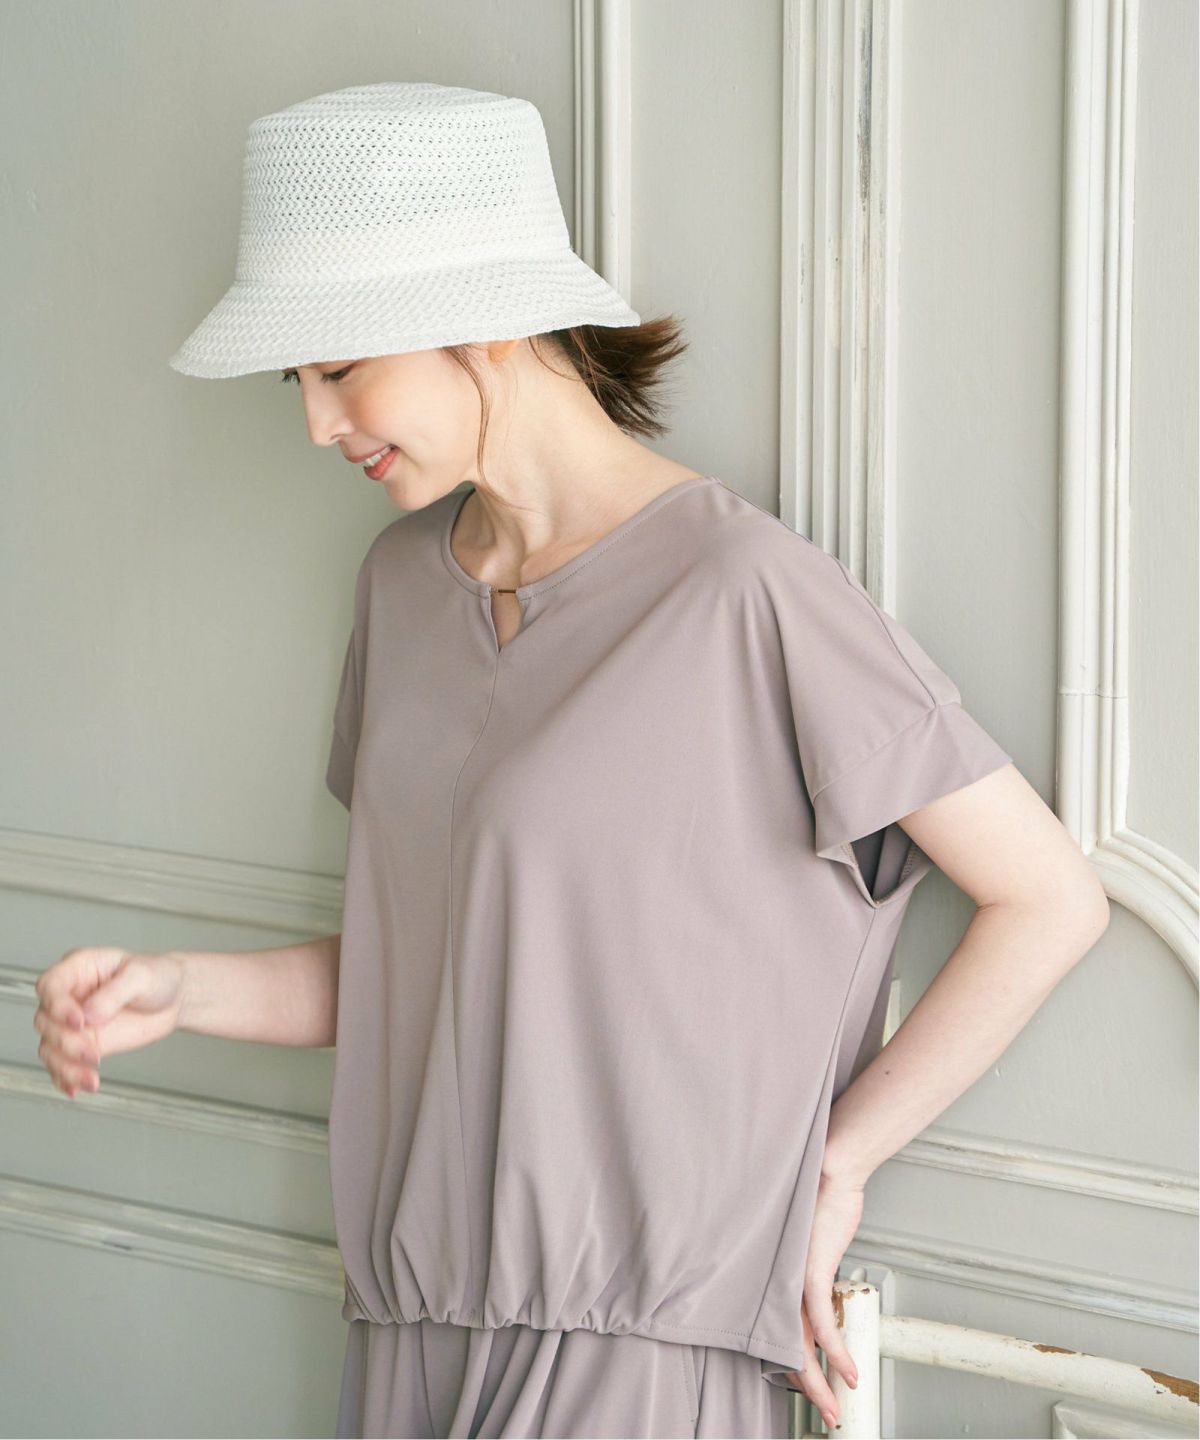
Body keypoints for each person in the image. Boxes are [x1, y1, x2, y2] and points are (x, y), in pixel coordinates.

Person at [32, 83, 1111, 1440]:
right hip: (409, 1334)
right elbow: (442, 970)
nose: (314, 422)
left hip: (635, 1360)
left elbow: (1049, 899)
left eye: (338, 366)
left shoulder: (743, 592)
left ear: (487, 320)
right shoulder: (401, 587)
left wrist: (835, 1166)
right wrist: (178, 988)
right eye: (294, 380)